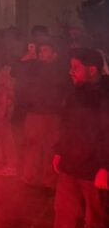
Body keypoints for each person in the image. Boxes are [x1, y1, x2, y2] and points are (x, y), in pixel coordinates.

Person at [52, 48, 109, 228]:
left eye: (75, 68)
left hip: (93, 173)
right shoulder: (74, 93)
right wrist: (59, 151)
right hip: (69, 168)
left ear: (92, 70)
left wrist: (106, 168)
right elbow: (66, 124)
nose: (71, 72)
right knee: (63, 217)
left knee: (95, 222)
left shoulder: (105, 96)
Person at [17, 41, 70, 188]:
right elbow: (16, 73)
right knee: (31, 147)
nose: (41, 53)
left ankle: (49, 181)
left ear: (55, 54)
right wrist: (27, 58)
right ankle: (30, 178)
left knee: (50, 149)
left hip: (51, 115)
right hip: (33, 113)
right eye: (40, 51)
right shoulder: (34, 67)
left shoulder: (60, 71)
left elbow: (64, 92)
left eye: (45, 50)